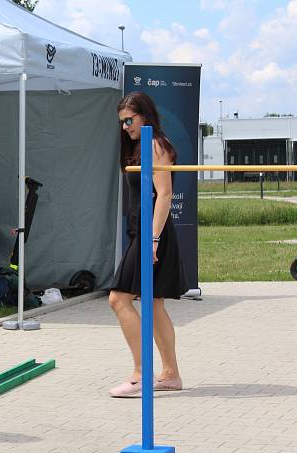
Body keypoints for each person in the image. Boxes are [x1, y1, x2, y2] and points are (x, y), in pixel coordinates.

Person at [108, 91, 189, 398]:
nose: (125, 126)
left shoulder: (155, 145)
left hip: (152, 232)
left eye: (130, 119)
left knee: (118, 299)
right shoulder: (140, 146)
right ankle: (170, 375)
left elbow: (164, 195)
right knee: (154, 306)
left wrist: (153, 240)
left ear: (145, 116)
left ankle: (142, 373)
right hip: (143, 230)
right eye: (122, 122)